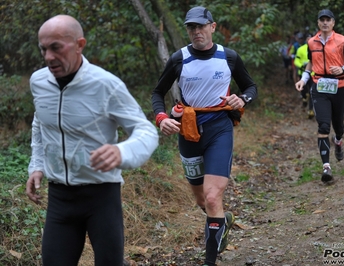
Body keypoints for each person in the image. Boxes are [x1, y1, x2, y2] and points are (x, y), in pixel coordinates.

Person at [26, 15, 159, 266]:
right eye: (43, 49)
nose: (48, 57)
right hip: (59, 199)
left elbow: (146, 131)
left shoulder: (105, 84)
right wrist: (37, 164)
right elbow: (40, 123)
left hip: (101, 197)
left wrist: (122, 151)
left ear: (79, 44)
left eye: (56, 47)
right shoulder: (38, 81)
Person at [151, 6, 257, 266]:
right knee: (202, 199)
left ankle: (210, 260)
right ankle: (223, 220)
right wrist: (162, 118)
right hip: (189, 131)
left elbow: (251, 87)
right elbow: (157, 93)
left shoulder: (228, 56)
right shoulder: (179, 58)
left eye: (201, 26)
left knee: (212, 196)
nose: (196, 31)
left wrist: (241, 99)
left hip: (220, 128)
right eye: (191, 27)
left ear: (213, 26)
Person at [295, 9, 344, 183]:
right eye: (322, 20)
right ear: (318, 23)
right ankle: (326, 168)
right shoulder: (311, 42)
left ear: (333, 23)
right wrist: (303, 79)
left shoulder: (343, 41)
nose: (325, 23)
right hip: (319, 86)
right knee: (323, 125)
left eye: (328, 20)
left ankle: (338, 141)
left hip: (338, 86)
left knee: (338, 126)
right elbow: (310, 63)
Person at [294, 33, 314, 119]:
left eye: (311, 39)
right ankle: (304, 98)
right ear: (306, 40)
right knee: (304, 90)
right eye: (308, 39)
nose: (309, 41)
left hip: (313, 74)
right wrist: (302, 65)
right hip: (302, 73)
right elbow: (296, 61)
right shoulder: (300, 49)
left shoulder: (316, 49)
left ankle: (311, 110)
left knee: (312, 92)